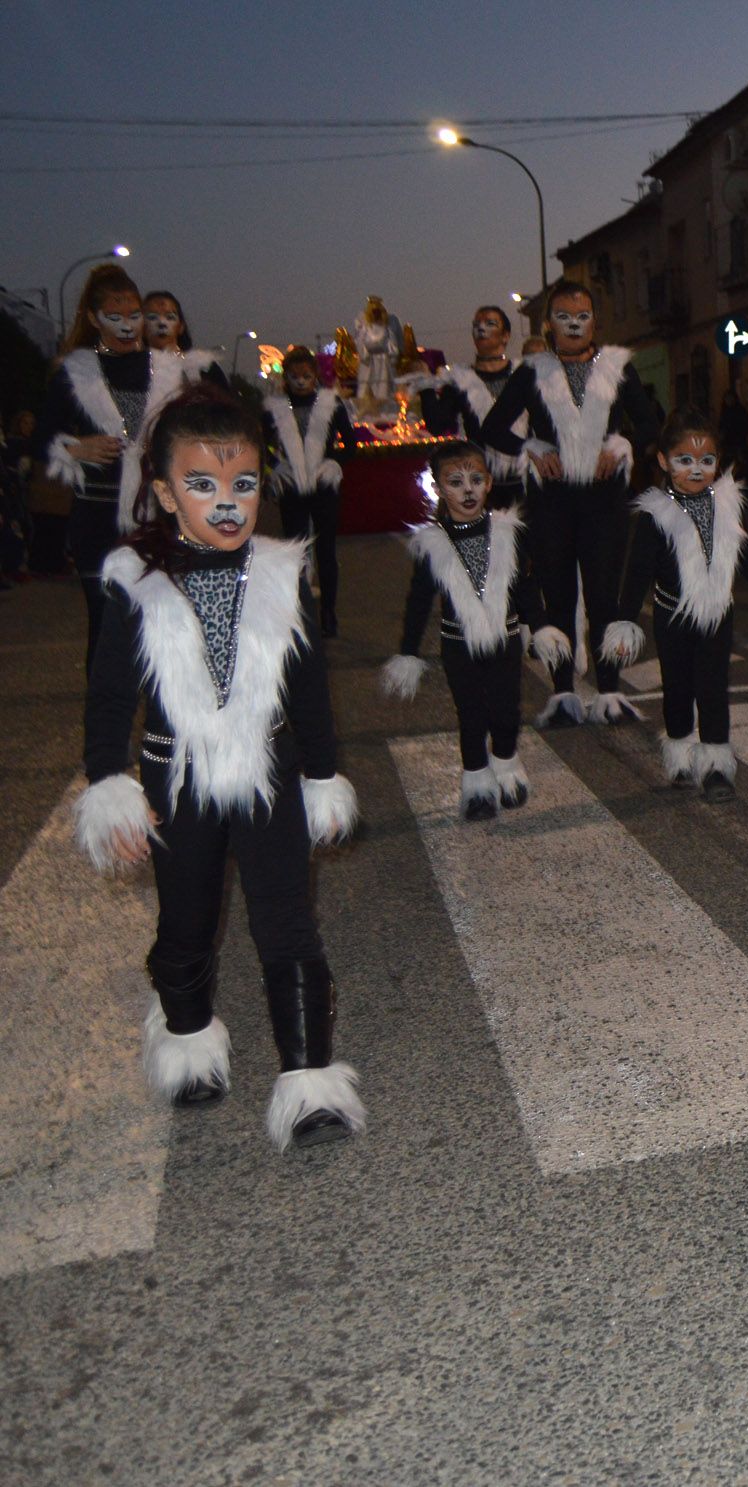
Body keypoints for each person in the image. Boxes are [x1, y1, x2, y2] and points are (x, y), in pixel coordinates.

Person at [74, 384, 365, 1151]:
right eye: (203, 486)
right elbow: (107, 696)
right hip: (178, 784)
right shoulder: (133, 577)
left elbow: (307, 687)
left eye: (242, 485)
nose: (228, 504)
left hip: (270, 775)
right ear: (166, 493)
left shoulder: (279, 568)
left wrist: (322, 772)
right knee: (186, 923)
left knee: (288, 925)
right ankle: (189, 1035)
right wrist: (110, 782)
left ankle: (308, 1084)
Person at [478, 280, 662, 727]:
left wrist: (619, 446)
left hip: (604, 499)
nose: (574, 325)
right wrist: (533, 449)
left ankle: (611, 693)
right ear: (550, 323)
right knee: (556, 594)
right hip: (551, 501)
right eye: (564, 316)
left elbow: (651, 423)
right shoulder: (532, 371)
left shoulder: (618, 367)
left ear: (595, 321)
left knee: (605, 596)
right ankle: (562, 694)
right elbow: (492, 427)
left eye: (582, 316)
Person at [603, 412, 748, 801]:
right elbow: (637, 572)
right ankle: (679, 752)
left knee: (712, 688)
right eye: (684, 460)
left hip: (716, 616)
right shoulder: (654, 514)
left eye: (707, 461)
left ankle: (716, 767)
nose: (696, 470)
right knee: (676, 689)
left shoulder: (729, 505)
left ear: (718, 463)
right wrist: (624, 620)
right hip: (672, 617)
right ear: (663, 461)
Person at [382, 442, 570, 818]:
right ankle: (478, 788)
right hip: (458, 646)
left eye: (476, 480)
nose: (467, 490)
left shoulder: (508, 532)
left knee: (506, 712)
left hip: (505, 641)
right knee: (470, 714)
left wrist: (542, 625)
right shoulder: (432, 545)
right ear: (438, 488)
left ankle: (506, 764)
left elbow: (525, 587)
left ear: (488, 484)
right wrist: (408, 650)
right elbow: (418, 601)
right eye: (455, 481)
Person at [40, 264, 206, 668]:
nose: (129, 326)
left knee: (163, 619)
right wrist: (74, 449)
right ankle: (105, 724)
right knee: (105, 619)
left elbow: (192, 433)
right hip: (96, 515)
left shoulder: (168, 370)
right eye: (116, 317)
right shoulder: (75, 372)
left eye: (135, 315)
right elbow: (41, 435)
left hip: (157, 514)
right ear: (95, 319)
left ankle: (164, 722)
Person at [262, 346, 358, 638]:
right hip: (292, 486)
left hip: (323, 485)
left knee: (326, 550)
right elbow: (264, 444)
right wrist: (276, 466)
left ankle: (328, 611)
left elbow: (351, 444)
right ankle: (301, 609)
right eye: (294, 376)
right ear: (285, 377)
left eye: (306, 375)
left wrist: (333, 463)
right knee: (295, 551)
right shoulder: (275, 407)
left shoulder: (332, 403)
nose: (301, 381)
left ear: (316, 375)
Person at [418, 306, 529, 511]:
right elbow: (437, 425)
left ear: (505, 336)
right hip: (482, 487)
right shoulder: (460, 380)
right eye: (476, 325)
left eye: (490, 324)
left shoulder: (524, 374)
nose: (481, 329)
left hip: (526, 483)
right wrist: (425, 384)